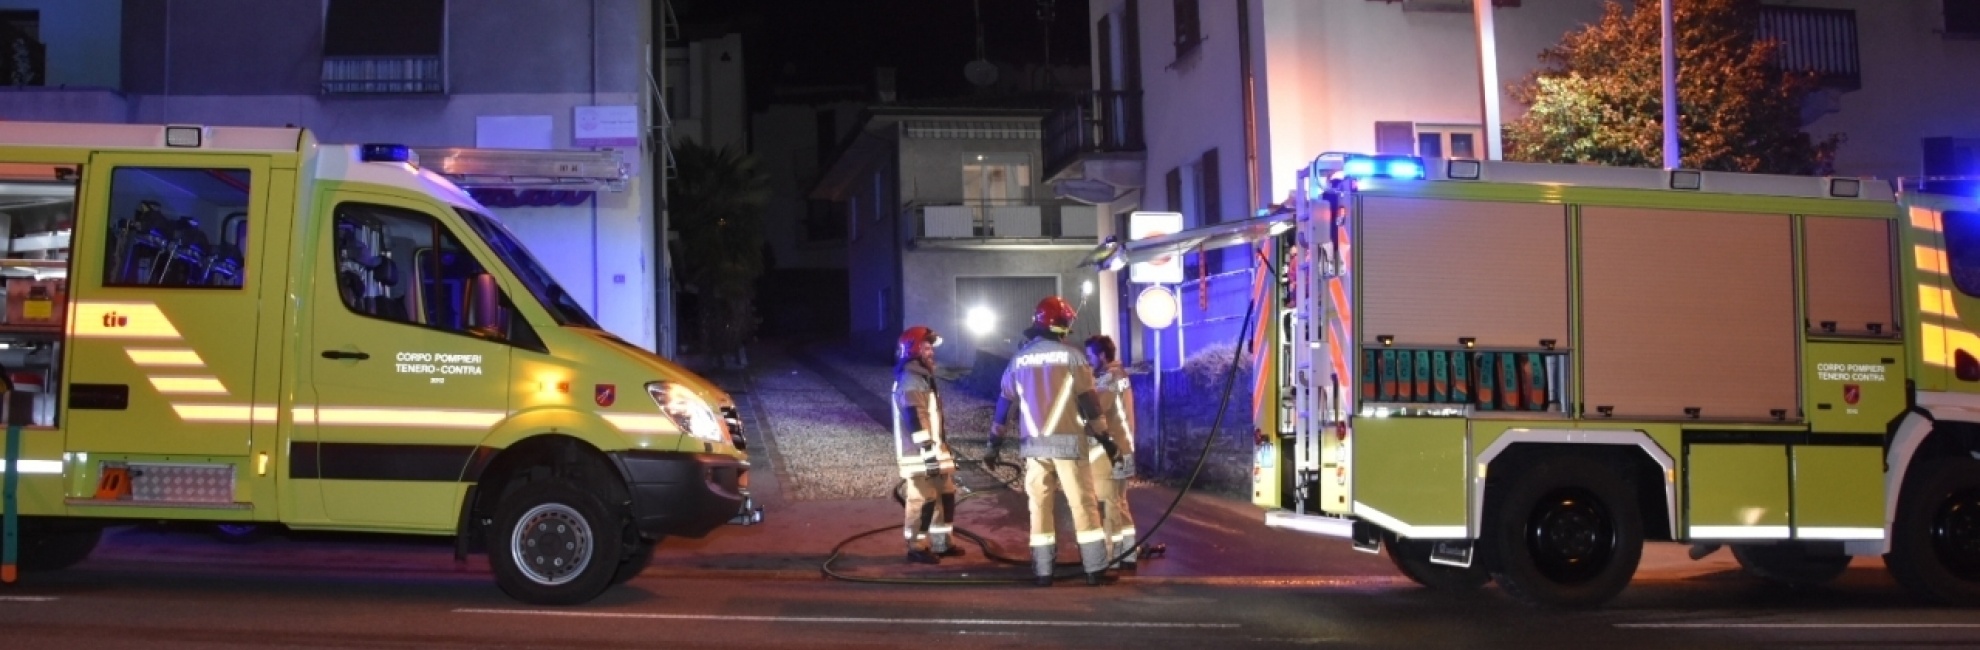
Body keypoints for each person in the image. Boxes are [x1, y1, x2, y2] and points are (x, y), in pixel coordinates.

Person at [986, 296, 1114, 587]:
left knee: (1039, 508)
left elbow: (1004, 405)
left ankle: (1043, 572)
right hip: (1069, 445)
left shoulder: (1018, 361)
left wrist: (993, 444)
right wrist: (1105, 438)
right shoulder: (1073, 357)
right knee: (1082, 504)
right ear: (1062, 326)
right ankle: (1095, 569)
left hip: (1034, 448)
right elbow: (1090, 403)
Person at [892, 325, 960, 564]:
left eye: (931, 348)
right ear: (913, 349)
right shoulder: (911, 379)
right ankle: (916, 546)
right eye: (927, 347)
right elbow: (916, 417)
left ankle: (942, 543)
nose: (932, 352)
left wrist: (939, 451)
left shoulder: (921, 377)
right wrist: (928, 452)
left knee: (946, 494)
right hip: (920, 454)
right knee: (923, 498)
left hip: (934, 451)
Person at [1084, 334, 1139, 570]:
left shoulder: (1109, 378)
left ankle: (1111, 557)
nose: (1087, 361)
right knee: (1119, 501)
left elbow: (1094, 410)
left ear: (1102, 355)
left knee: (1108, 504)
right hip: (1125, 449)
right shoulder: (1120, 375)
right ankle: (1128, 553)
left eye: (1090, 356)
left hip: (1109, 451)